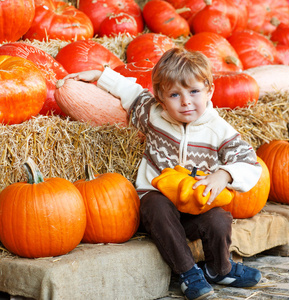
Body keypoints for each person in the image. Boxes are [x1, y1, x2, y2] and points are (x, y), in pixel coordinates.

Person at [64, 47, 263, 300]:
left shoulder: (218, 129)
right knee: (155, 205)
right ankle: (188, 272)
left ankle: (219, 269)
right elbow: (131, 93)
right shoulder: (153, 115)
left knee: (219, 219)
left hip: (195, 205)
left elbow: (249, 161)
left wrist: (224, 175)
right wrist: (100, 75)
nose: (186, 102)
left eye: (194, 91)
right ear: (160, 97)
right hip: (160, 203)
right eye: (174, 94)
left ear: (209, 90)